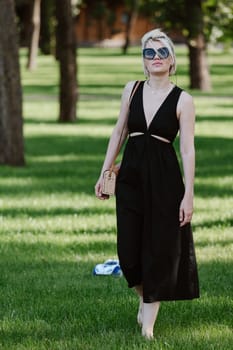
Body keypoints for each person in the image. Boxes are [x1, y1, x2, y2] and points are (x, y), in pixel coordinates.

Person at [95, 28, 199, 340]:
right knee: (128, 253)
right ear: (143, 59)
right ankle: (143, 296)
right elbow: (119, 132)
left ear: (171, 59)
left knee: (158, 251)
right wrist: (104, 173)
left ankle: (148, 330)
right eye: (149, 53)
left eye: (161, 52)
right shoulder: (132, 89)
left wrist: (189, 194)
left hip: (166, 182)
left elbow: (188, 149)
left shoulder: (184, 99)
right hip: (130, 178)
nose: (155, 58)